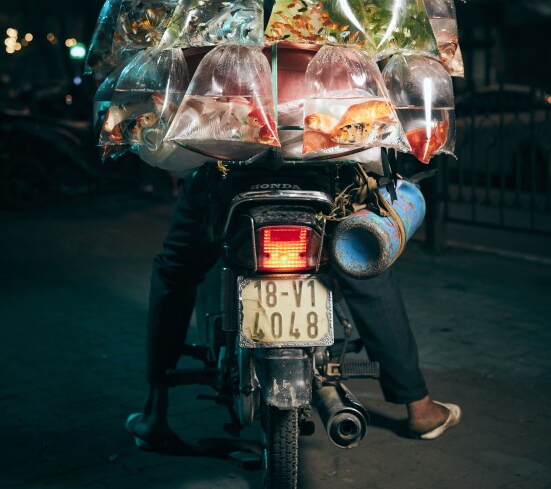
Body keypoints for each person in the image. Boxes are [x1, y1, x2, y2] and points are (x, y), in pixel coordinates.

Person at [126, 161, 461, 451]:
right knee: (364, 266)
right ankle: (419, 407)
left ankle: (155, 412)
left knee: (175, 271)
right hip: (326, 176)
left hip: (227, 173)